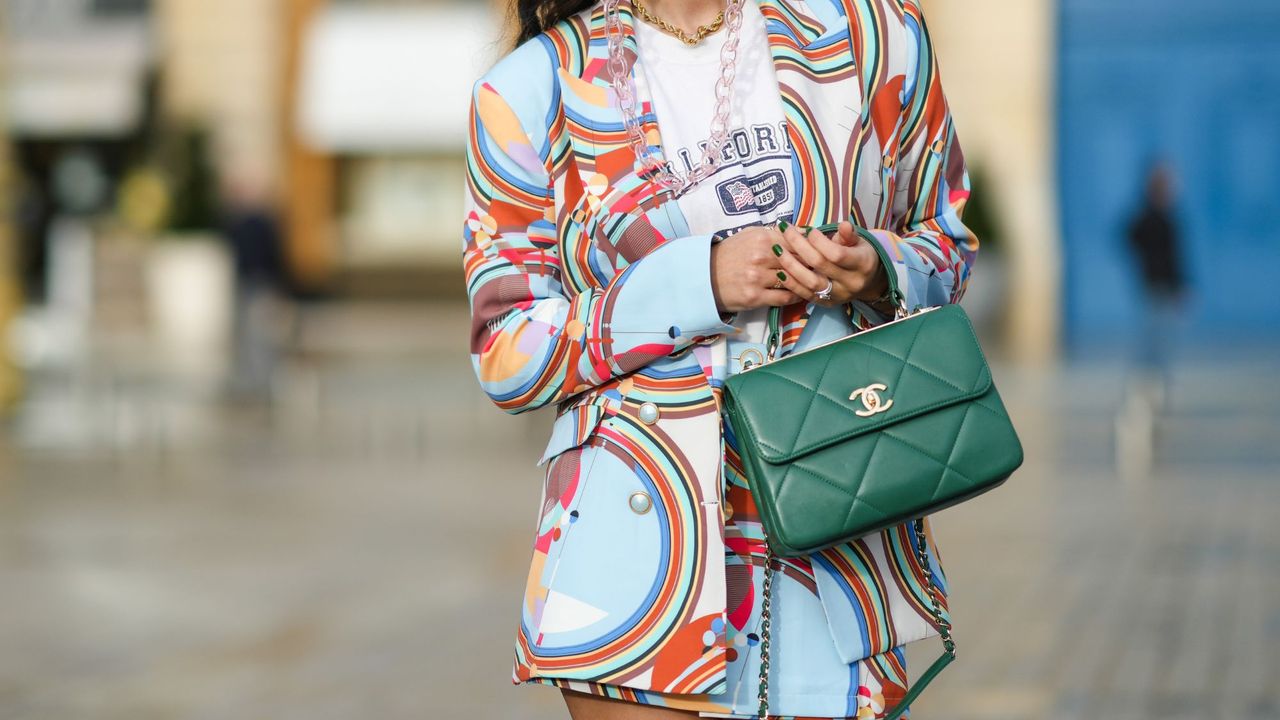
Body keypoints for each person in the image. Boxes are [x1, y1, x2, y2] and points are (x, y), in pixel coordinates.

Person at [461, 1, 978, 717]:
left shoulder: (873, 36)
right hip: (636, 563)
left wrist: (878, 267)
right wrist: (697, 282)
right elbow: (506, 348)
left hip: (836, 528)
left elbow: (945, 238)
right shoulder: (530, 90)